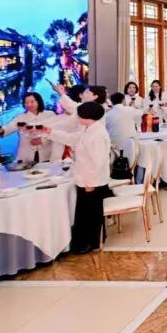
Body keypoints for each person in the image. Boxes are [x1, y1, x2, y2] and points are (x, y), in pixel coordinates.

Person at [42, 101, 111, 254]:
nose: (77, 118)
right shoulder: (87, 130)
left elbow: (98, 161)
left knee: (91, 214)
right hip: (84, 178)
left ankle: (92, 243)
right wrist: (50, 132)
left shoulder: (98, 134)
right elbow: (71, 138)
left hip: (93, 182)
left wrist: (91, 183)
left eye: (79, 115)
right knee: (83, 213)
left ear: (87, 116)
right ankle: (82, 242)